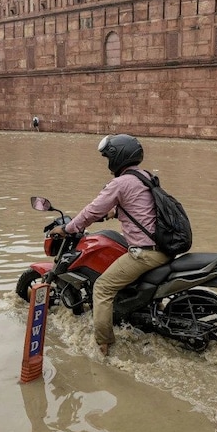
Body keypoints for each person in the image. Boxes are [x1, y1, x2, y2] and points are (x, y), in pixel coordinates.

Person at [48, 134, 169, 356]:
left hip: (145, 253)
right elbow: (140, 209)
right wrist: (113, 213)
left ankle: (103, 344)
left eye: (108, 158)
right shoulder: (145, 177)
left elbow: (92, 211)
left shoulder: (121, 182)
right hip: (164, 249)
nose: (107, 163)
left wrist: (67, 229)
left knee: (102, 288)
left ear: (118, 156)